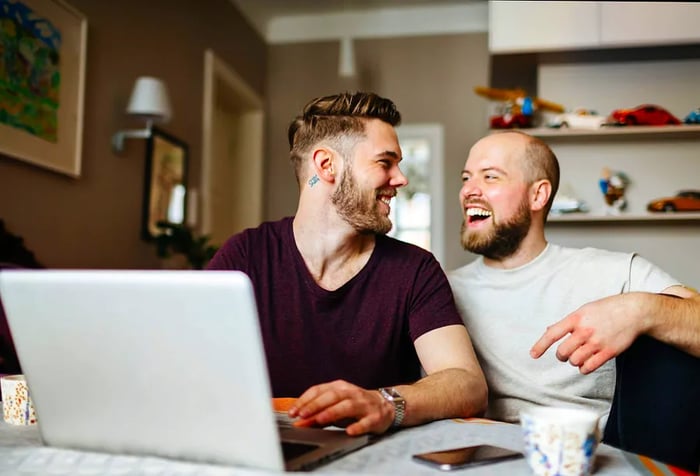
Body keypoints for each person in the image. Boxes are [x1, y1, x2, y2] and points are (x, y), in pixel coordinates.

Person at [207, 92, 487, 436]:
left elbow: (468, 383)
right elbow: (186, 361)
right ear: (326, 166)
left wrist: (385, 404)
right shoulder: (246, 256)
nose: (401, 179)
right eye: (385, 162)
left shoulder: (414, 269)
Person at [448, 130, 700, 424]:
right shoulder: (438, 288)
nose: (468, 191)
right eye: (466, 178)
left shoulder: (615, 273)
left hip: (580, 459)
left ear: (538, 195)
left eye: (490, 177)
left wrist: (640, 309)